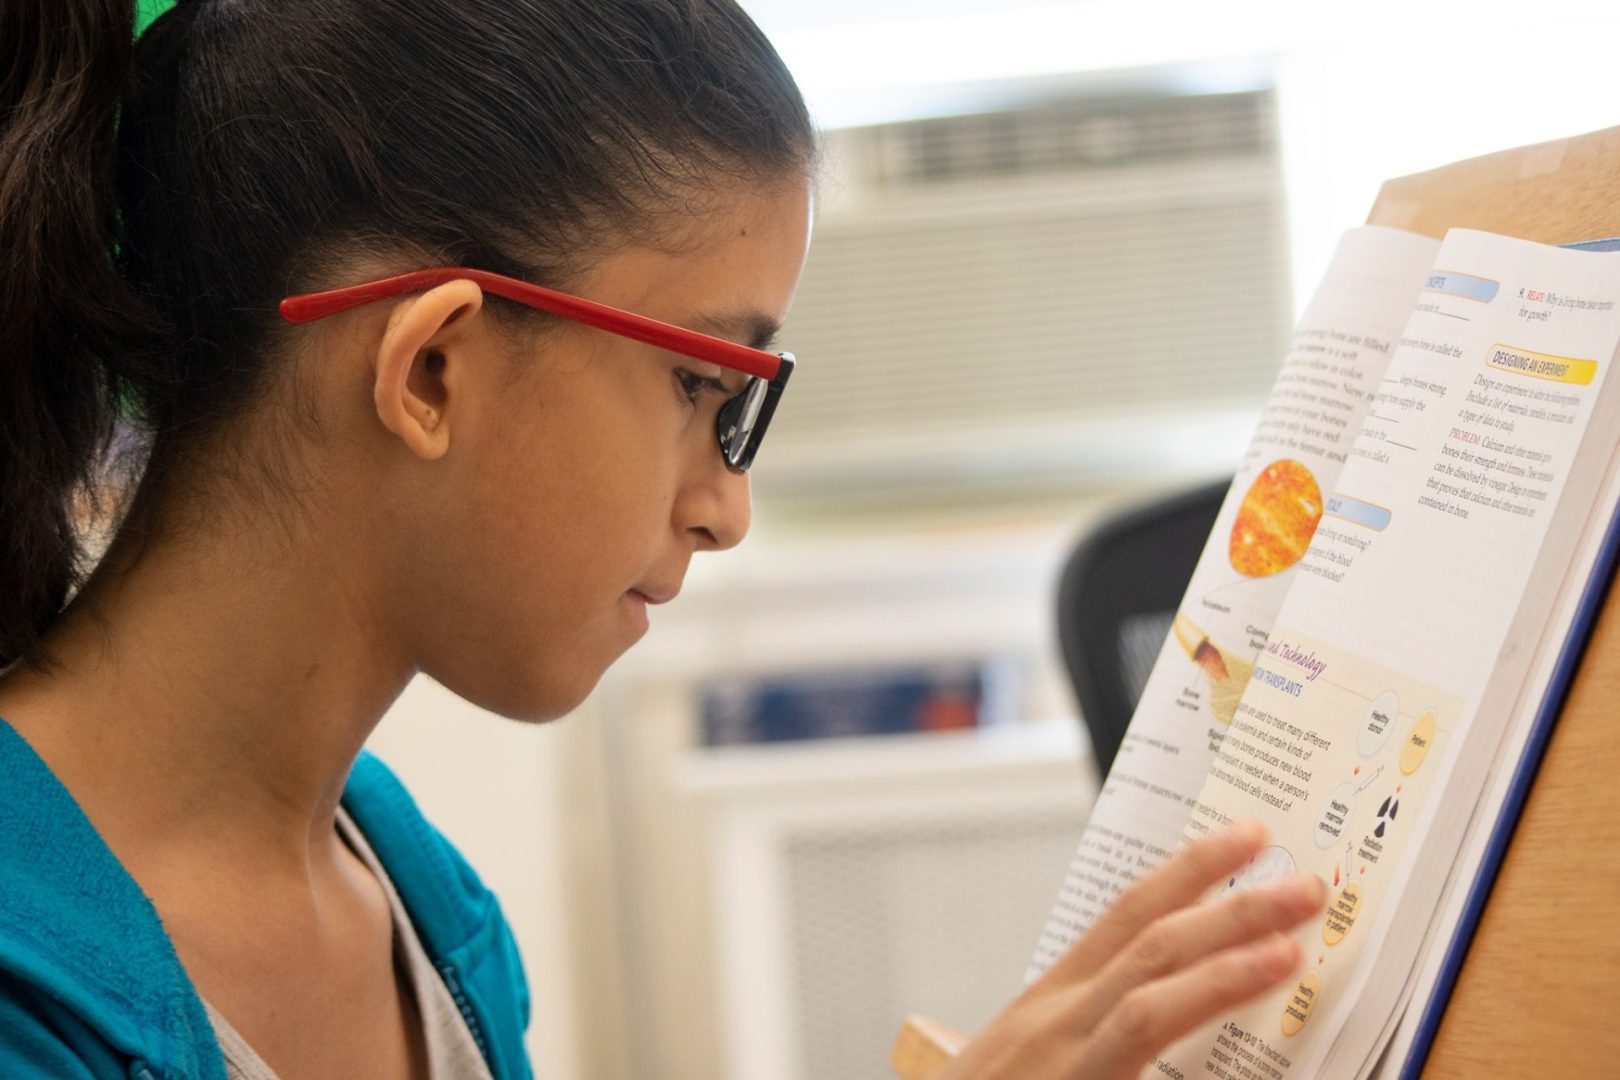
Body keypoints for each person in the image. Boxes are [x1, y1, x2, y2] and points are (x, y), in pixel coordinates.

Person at [0, 1, 1325, 1077]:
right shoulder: (30, 989)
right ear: (433, 373)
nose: (725, 507)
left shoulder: (414, 894)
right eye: (705, 389)